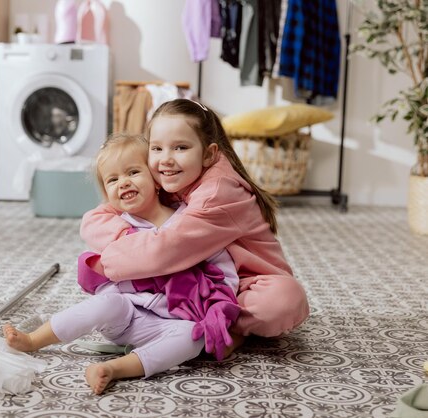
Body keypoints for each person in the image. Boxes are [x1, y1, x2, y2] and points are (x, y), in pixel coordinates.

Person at [4, 133, 240, 395]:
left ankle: (116, 368)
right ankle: (34, 339)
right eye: (113, 180)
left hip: (171, 322)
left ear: (157, 180)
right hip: (126, 317)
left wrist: (217, 309)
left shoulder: (188, 221)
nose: (124, 182)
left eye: (133, 172)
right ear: (107, 194)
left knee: (192, 336)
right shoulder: (119, 229)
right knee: (109, 302)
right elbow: (103, 273)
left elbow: (223, 271)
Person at [80, 98, 310, 342]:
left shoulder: (217, 193)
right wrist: (126, 237)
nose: (166, 159)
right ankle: (192, 318)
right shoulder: (170, 176)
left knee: (282, 300)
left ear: (209, 154)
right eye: (157, 148)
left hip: (248, 283)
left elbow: (166, 250)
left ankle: (215, 325)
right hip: (205, 278)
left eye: (180, 148)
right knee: (155, 275)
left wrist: (107, 263)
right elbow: (97, 217)